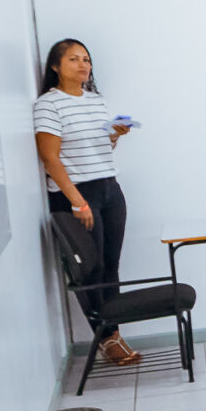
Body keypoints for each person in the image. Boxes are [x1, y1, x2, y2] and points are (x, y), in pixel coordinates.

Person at [35, 38, 140, 366]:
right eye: (73, 59)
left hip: (110, 190)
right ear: (56, 66)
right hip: (77, 195)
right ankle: (106, 338)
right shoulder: (48, 105)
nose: (82, 65)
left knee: (111, 266)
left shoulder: (96, 101)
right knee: (89, 271)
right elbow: (50, 159)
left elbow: (99, 149)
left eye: (86, 59)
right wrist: (78, 202)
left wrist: (114, 135)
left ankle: (114, 334)